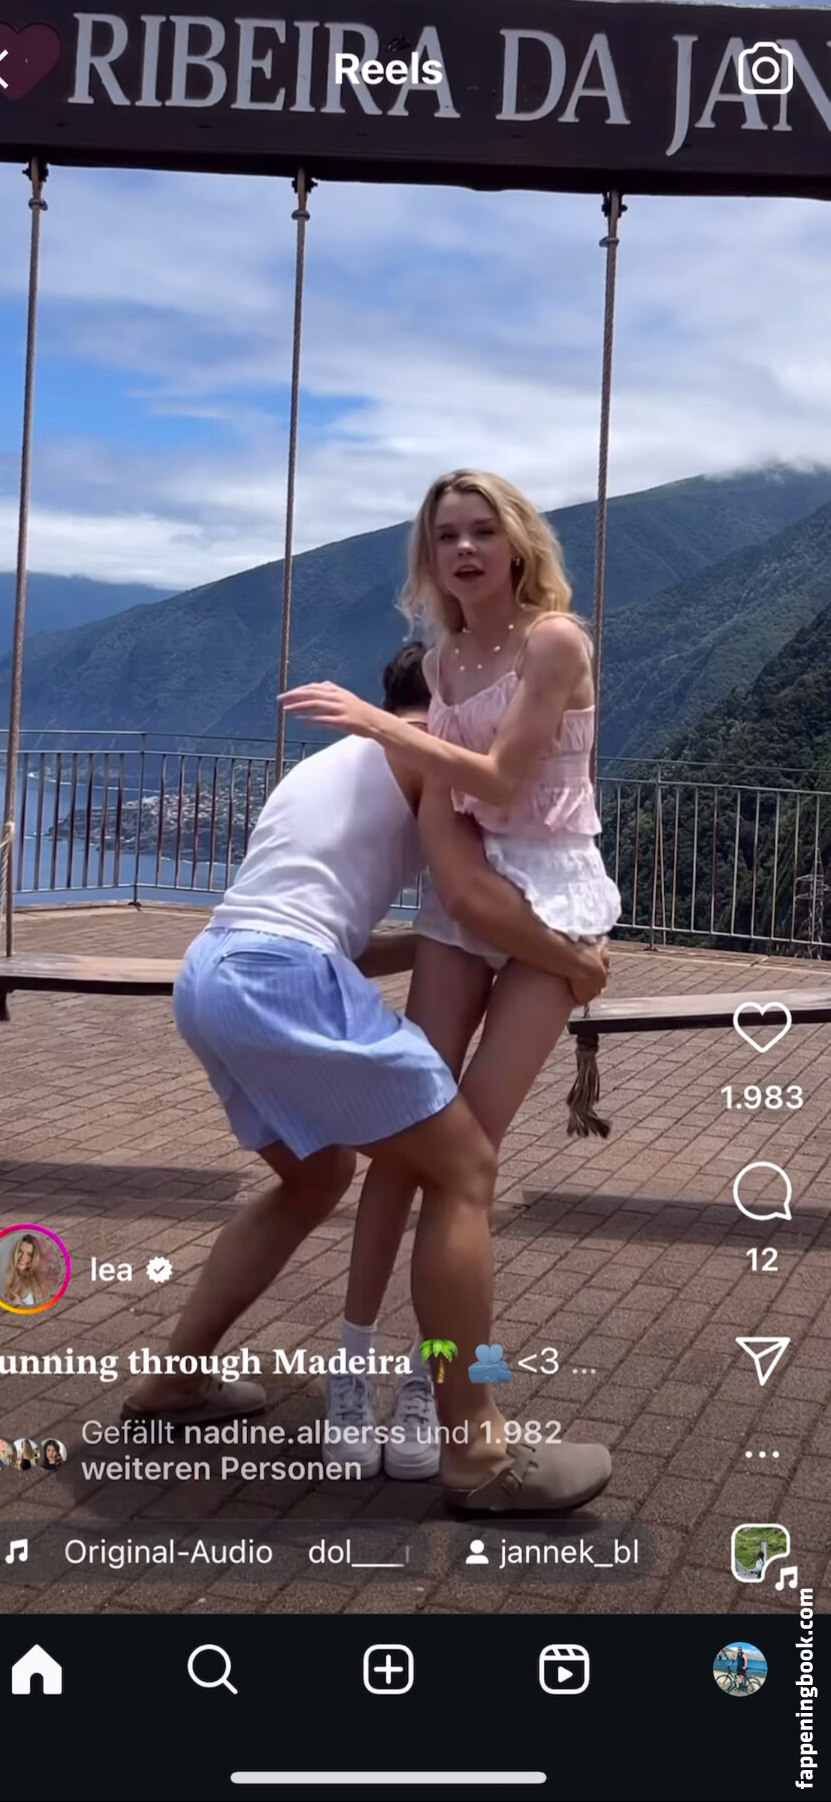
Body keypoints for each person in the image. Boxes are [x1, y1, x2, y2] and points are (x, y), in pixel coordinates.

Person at [124, 643, 611, 1514]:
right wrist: (573, 960)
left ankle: (175, 1379)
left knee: (317, 1179)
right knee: (464, 1168)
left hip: (214, 973)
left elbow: (334, 931)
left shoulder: (330, 764)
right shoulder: (427, 758)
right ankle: (476, 1451)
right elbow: (470, 896)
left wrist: (439, 949)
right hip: (281, 978)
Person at [281, 470, 622, 1474]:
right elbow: (455, 800)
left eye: (482, 531)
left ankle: (432, 1387)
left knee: (464, 1148)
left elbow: (507, 780)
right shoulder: (443, 657)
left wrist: (383, 722)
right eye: (445, 536)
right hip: (462, 889)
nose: (465, 550)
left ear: (517, 543)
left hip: (549, 897)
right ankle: (353, 1366)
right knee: (407, 1143)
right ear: (428, 557)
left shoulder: (555, 642)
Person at [0, 1233, 53, 1308]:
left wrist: (20, 1304)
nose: (23, 1257)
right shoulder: (9, 1276)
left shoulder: (38, 1282)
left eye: (29, 1254)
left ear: (35, 1257)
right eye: (20, 1251)